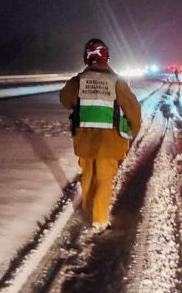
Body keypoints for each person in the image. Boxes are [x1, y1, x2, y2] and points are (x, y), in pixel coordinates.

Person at [60, 38, 142, 230]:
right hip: (110, 140)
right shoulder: (117, 82)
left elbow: (65, 101)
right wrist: (133, 130)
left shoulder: (78, 80)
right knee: (105, 178)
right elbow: (134, 110)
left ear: (87, 57)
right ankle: (100, 218)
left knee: (88, 176)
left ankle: (87, 211)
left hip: (84, 139)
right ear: (106, 57)